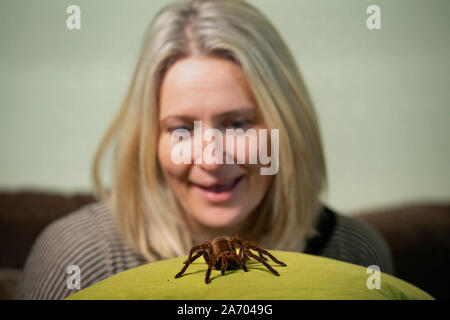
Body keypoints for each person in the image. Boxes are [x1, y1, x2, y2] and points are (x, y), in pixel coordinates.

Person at [14, 0, 393, 300]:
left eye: (238, 124)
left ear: (287, 128)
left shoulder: (355, 256)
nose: (212, 160)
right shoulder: (75, 259)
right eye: (181, 129)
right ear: (150, 141)